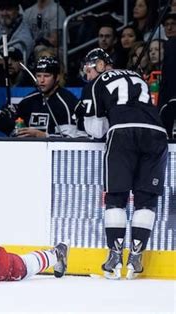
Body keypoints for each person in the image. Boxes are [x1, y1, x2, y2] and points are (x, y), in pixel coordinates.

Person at [80, 48, 168, 280]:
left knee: (116, 196)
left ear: (99, 65)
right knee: (146, 198)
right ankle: (137, 255)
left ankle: (115, 256)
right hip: (157, 133)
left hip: (122, 133)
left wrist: (88, 117)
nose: (87, 76)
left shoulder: (96, 83)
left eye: (88, 70)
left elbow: (96, 130)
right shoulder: (137, 76)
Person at [0, 56, 81, 138]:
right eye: (38, 76)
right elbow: (13, 125)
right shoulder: (29, 100)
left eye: (46, 76)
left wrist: (43, 135)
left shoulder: (67, 102)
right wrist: (6, 121)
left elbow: (71, 137)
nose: (41, 80)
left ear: (57, 77)